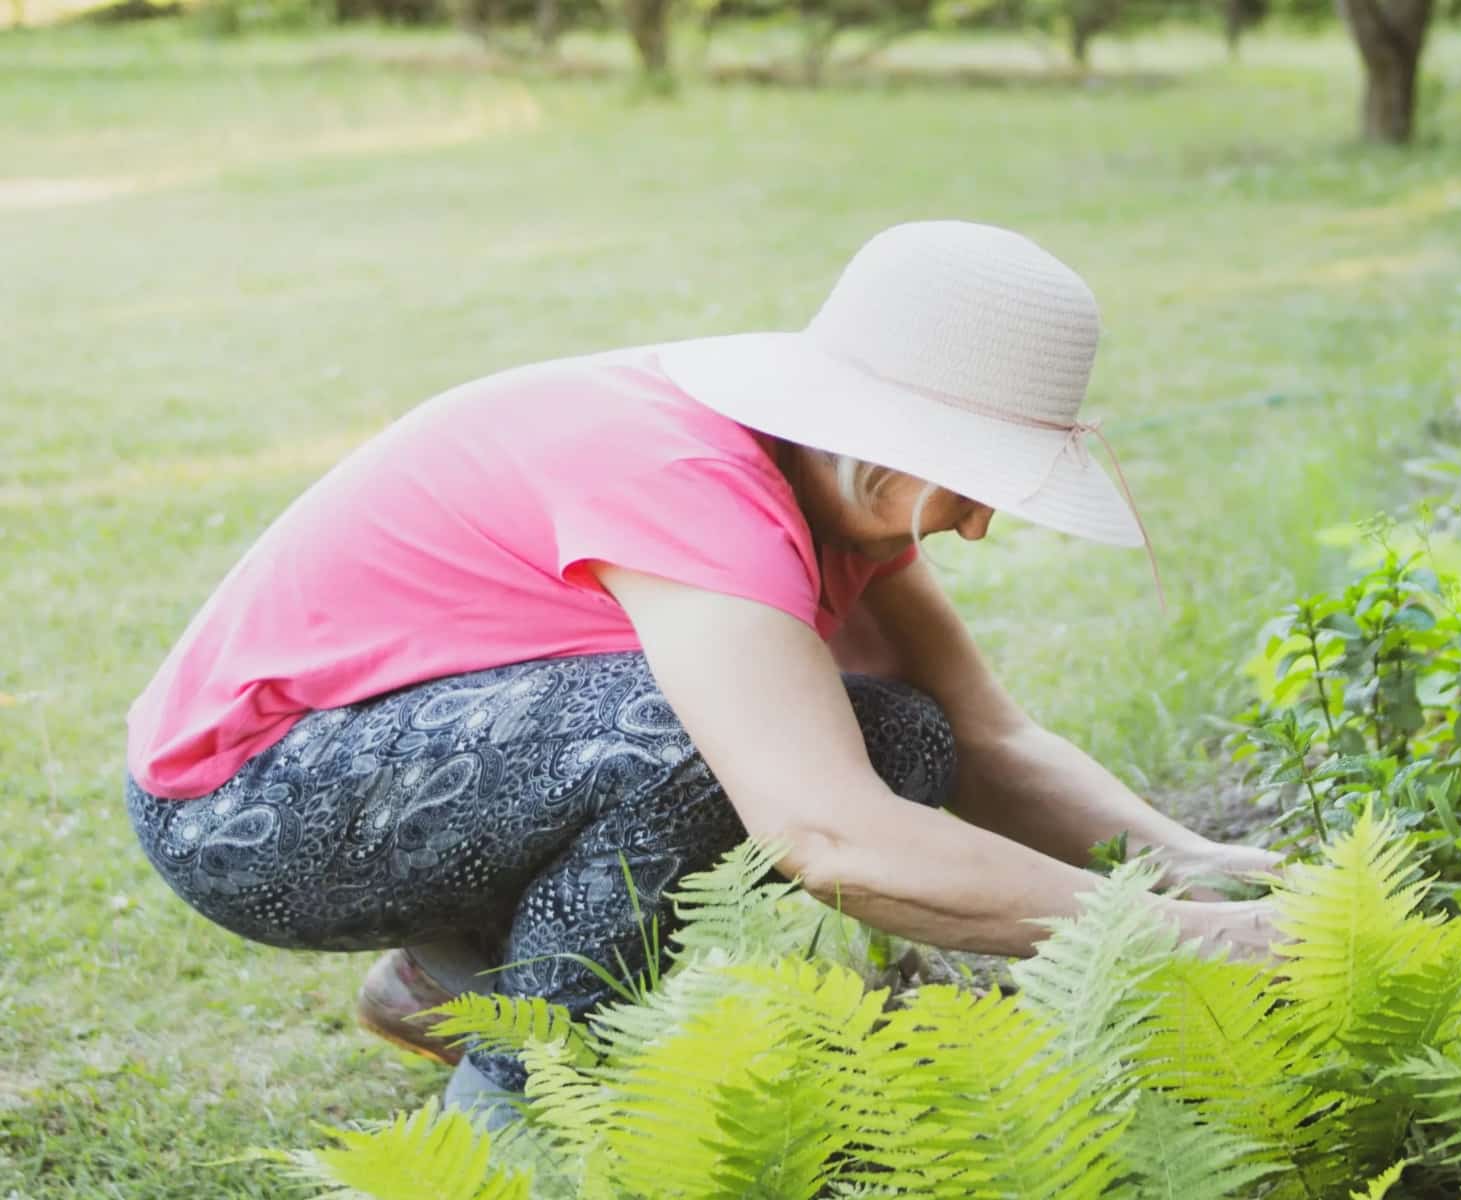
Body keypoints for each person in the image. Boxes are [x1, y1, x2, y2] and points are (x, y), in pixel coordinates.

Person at [123, 220, 1283, 1115]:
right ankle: (531, 1114)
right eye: (974, 483)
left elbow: (990, 740)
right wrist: (1188, 942)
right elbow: (826, 836)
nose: (977, 528)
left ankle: (451, 982)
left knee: (903, 736)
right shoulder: (692, 489)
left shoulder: (831, 493)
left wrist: (1190, 867)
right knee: (699, 752)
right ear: (887, 438)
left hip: (390, 763)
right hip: (246, 806)